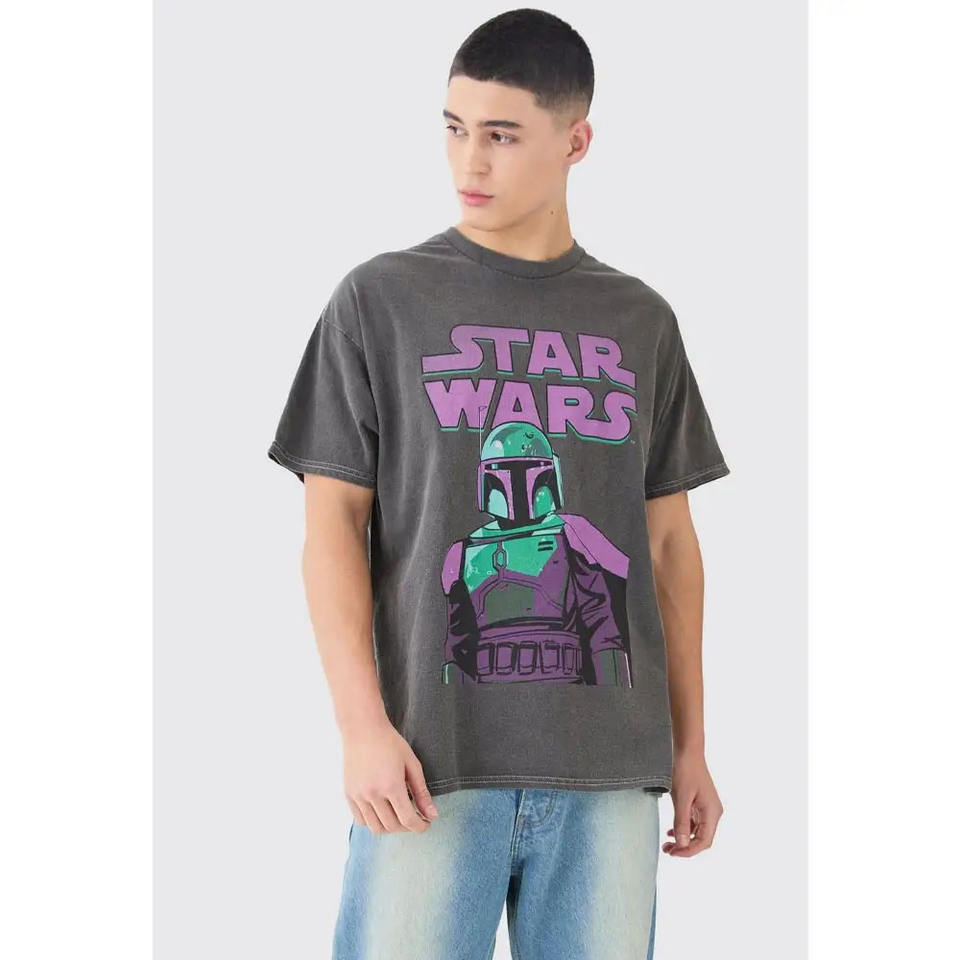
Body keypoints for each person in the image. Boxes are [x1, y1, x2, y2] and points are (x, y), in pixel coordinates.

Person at [267, 9, 730, 959]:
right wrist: (361, 729)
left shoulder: (639, 319)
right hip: (429, 766)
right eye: (455, 128)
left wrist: (689, 746)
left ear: (576, 141)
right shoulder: (381, 300)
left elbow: (668, 547)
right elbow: (332, 527)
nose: (469, 162)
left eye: (503, 135)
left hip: (608, 771)